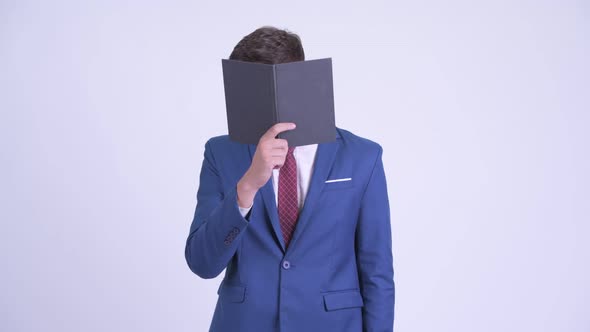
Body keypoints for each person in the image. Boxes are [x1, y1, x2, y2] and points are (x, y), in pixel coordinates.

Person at [184, 26, 395, 332]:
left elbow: (377, 273)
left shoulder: (363, 157)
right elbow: (202, 263)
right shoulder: (220, 153)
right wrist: (246, 188)